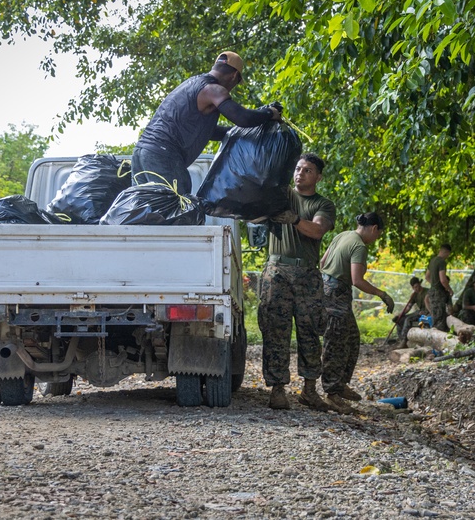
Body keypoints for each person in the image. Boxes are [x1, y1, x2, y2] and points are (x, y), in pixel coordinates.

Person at [131, 51, 282, 192]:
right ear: (234, 76)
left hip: (141, 153)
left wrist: (237, 132)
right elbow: (242, 117)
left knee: (146, 210)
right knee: (177, 210)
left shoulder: (191, 84)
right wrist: (269, 113)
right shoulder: (213, 89)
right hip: (163, 155)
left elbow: (211, 131)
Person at [257, 153, 335, 411]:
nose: (300, 173)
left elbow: (317, 230)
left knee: (310, 331)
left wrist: (294, 219)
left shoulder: (323, 204)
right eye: (298, 168)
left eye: (308, 170)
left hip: (307, 276)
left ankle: (309, 390)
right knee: (275, 330)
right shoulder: (281, 195)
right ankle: (278, 391)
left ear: (318, 177)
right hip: (276, 271)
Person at [319, 212, 395, 413]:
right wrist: (381, 294)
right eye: (378, 235)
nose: (376, 238)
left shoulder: (343, 235)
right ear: (374, 228)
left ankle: (340, 384)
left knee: (352, 338)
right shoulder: (359, 246)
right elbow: (357, 280)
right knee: (335, 343)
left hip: (331, 290)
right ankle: (331, 393)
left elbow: (322, 262)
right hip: (336, 294)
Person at [394, 277, 429, 349]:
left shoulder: (427, 292)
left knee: (408, 319)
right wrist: (401, 314)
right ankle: (401, 340)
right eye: (413, 287)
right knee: (400, 320)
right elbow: (408, 307)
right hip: (419, 312)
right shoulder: (414, 295)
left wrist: (426, 312)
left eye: (416, 286)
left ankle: (404, 341)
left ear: (419, 284)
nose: (415, 289)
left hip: (426, 313)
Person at [425, 244, 454, 331]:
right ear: (446, 252)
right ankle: (438, 341)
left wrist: (434, 284)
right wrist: (450, 289)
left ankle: (433, 339)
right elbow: (443, 280)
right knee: (440, 320)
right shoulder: (441, 262)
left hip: (432, 292)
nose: (447, 257)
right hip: (439, 293)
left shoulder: (432, 261)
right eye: (448, 255)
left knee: (435, 317)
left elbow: (427, 277)